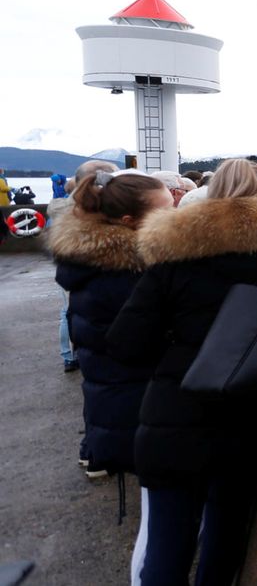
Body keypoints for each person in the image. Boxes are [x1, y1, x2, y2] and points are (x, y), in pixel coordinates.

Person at [109, 159, 257, 585]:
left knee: (166, 547)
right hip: (249, 425)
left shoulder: (173, 258)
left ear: (210, 196)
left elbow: (126, 345)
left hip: (172, 419)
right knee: (224, 541)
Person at [50, 170, 170, 486]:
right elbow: (145, 338)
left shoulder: (95, 264)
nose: (175, 218)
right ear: (130, 221)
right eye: (166, 212)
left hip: (115, 399)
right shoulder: (126, 275)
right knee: (159, 507)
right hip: (135, 406)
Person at [55, 160, 119, 374]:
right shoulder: (105, 223)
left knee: (68, 311)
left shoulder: (68, 218)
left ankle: (70, 356)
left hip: (94, 352)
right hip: (116, 351)